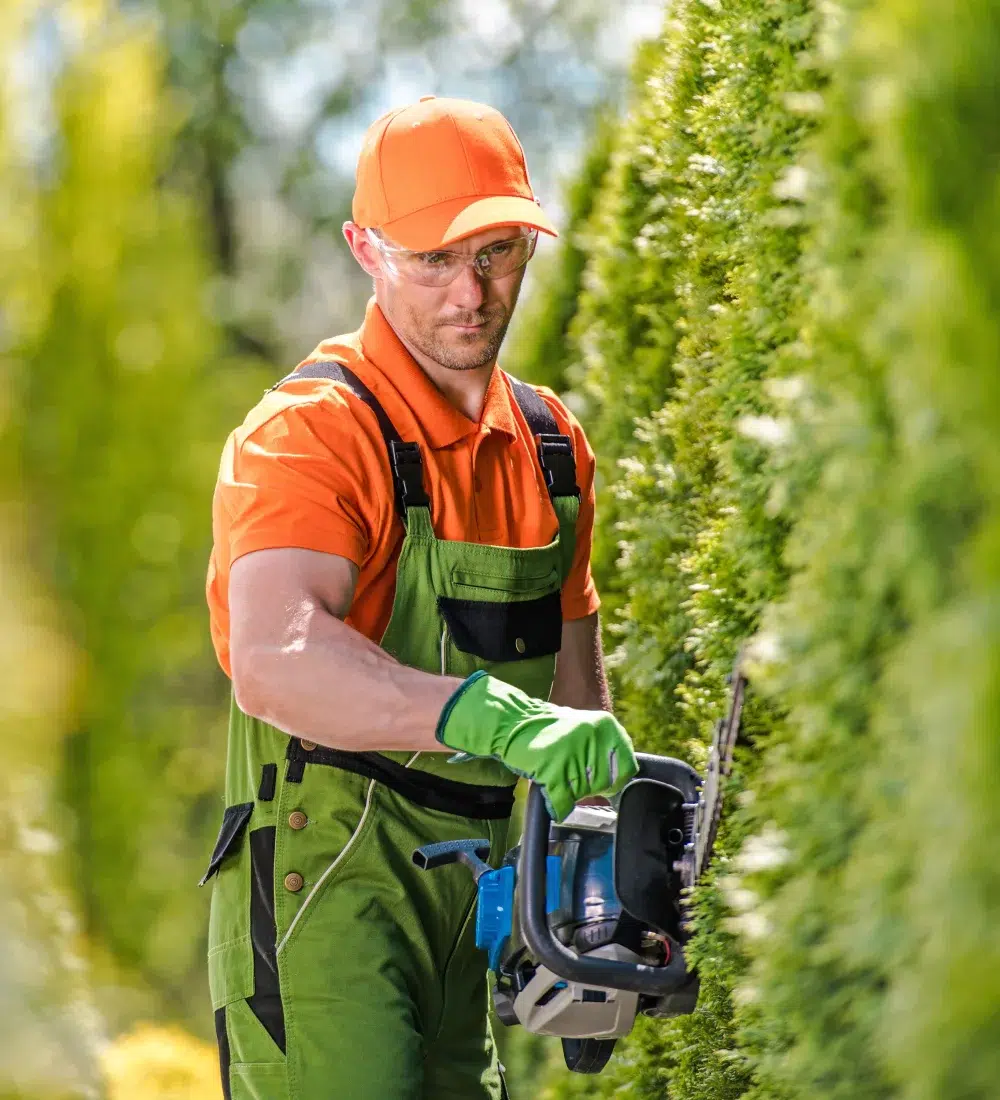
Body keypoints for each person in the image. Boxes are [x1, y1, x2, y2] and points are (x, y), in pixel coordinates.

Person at [201, 95, 638, 1100]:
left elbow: (578, 688)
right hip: (326, 889)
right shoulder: (310, 431)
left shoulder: (553, 449)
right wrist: (479, 712)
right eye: (430, 260)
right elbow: (275, 656)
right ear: (364, 248)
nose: (469, 294)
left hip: (469, 891)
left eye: (494, 253)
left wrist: (603, 869)